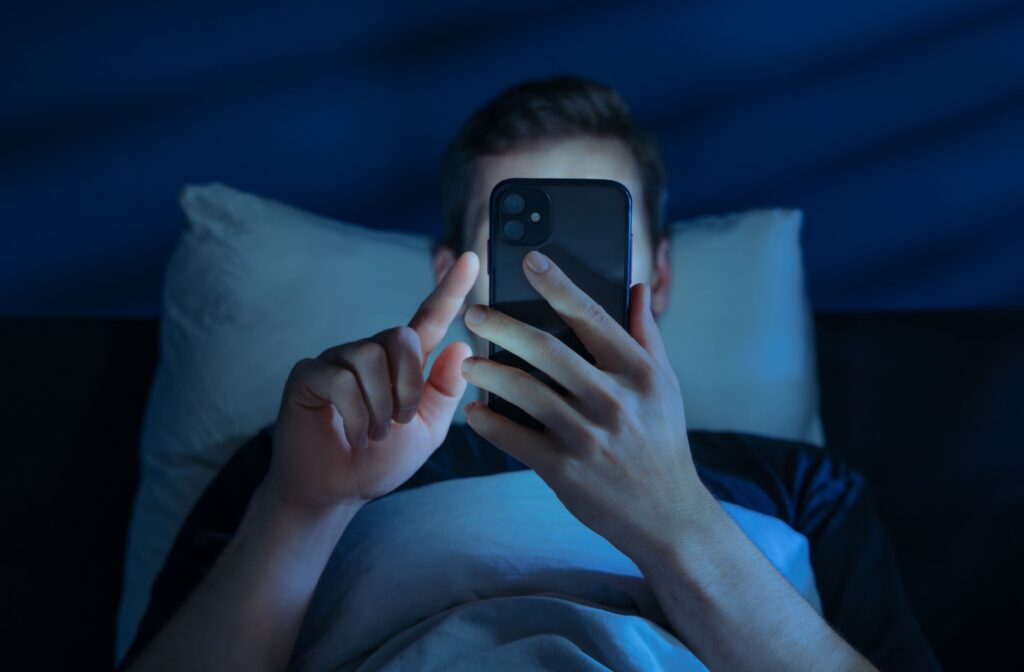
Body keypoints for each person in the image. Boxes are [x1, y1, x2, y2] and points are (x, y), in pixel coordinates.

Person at [122, 77, 937, 671]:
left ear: (659, 273)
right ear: (457, 271)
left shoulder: (806, 490)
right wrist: (301, 510)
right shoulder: (314, 455)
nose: (558, 275)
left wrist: (676, 520)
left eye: (594, 232)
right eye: (522, 243)